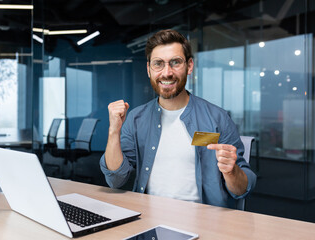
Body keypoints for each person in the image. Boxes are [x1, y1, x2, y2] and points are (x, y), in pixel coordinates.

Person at [100, 29, 256, 209]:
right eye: (158, 64)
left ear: (189, 66)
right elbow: (115, 179)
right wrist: (114, 131)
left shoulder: (217, 118)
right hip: (148, 221)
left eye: (175, 62)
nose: (167, 72)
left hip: (203, 223)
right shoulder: (136, 118)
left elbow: (242, 189)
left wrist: (232, 171)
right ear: (149, 69)